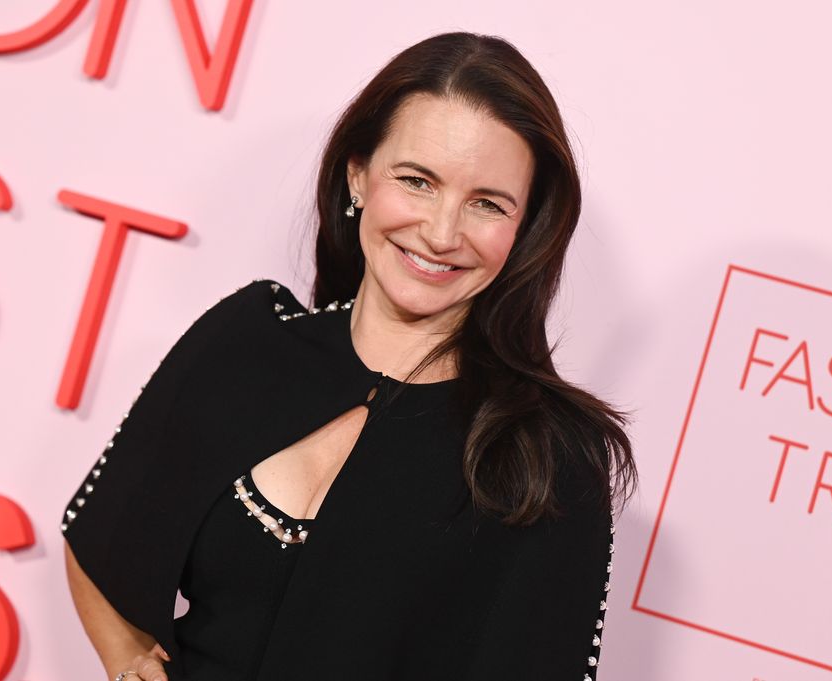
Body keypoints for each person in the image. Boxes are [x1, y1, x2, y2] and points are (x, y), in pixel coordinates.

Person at [61, 31, 636, 681]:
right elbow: (102, 533)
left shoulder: (550, 456)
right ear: (358, 174)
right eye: (418, 181)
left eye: (486, 203)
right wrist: (125, 660)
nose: (442, 232)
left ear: (526, 224)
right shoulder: (250, 341)